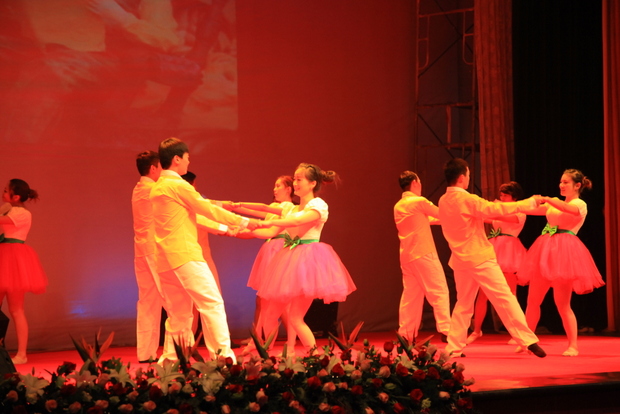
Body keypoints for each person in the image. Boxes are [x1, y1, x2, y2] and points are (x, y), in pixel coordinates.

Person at [150, 137, 260, 362]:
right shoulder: (178, 185)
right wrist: (245, 222)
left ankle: (172, 360)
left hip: (165, 259)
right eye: (187, 158)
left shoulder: (158, 187)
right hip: (185, 255)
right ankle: (223, 359)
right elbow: (206, 209)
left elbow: (196, 217)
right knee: (211, 303)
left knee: (178, 314)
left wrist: (228, 228)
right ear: (177, 159)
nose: (188, 162)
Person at [437, 158, 545, 358]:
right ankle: (527, 340)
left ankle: (453, 346)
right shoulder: (468, 199)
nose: (468, 178)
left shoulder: (443, 200)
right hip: (478, 256)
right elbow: (497, 210)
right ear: (461, 177)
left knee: (464, 302)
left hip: (460, 259)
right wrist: (529, 202)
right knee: (503, 296)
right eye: (468, 175)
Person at [248, 163, 356, 355]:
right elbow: (270, 224)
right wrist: (239, 224)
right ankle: (268, 354)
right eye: (295, 179)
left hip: (308, 261)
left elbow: (298, 221)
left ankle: (314, 354)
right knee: (269, 314)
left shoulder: (318, 205)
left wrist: (265, 222)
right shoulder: (291, 208)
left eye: (299, 179)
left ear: (312, 183)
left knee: (296, 317)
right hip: (288, 259)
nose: (295, 183)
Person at [519, 169, 605, 357]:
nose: (561, 185)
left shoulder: (579, 204)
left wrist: (548, 199)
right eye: (561, 181)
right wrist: (509, 205)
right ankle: (528, 341)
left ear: (577, 185)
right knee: (532, 301)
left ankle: (573, 345)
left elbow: (569, 209)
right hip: (545, 251)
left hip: (565, 254)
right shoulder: (554, 205)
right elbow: (529, 209)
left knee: (563, 304)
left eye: (566, 182)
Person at [225, 176, 297, 341]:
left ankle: (290, 339)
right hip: (270, 248)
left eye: (278, 186)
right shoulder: (275, 207)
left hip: (278, 250)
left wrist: (236, 207)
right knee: (263, 299)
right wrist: (235, 210)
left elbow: (262, 212)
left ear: (288, 189)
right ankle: (257, 338)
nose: (274, 189)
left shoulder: (288, 208)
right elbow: (256, 214)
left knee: (279, 301)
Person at [467, 181, 527, 344]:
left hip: (510, 252)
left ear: (514, 197)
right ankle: (476, 330)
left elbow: (499, 216)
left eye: (505, 195)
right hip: (493, 249)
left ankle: (517, 333)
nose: (502, 197)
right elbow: (485, 217)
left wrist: (491, 209)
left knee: (511, 295)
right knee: (483, 293)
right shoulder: (499, 209)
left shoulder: (520, 212)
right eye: (501, 195)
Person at [393, 171, 450, 342]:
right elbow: (443, 214)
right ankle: (446, 330)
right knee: (439, 290)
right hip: (423, 253)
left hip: (407, 256)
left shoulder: (399, 205)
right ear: (415, 183)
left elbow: (429, 219)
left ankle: (406, 334)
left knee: (411, 297)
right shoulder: (419, 201)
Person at [0, 179, 48, 365]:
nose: (3, 193)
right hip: (4, 255)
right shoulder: (8, 209)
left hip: (14, 259)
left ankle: (21, 354)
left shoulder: (22, 213)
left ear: (16, 196)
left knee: (16, 309)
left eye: (6, 190)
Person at [132, 151, 165, 363]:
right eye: (161, 167)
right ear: (153, 168)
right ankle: (175, 351)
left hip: (142, 250)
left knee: (147, 302)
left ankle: (146, 353)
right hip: (154, 250)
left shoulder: (139, 188)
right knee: (171, 300)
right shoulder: (153, 189)